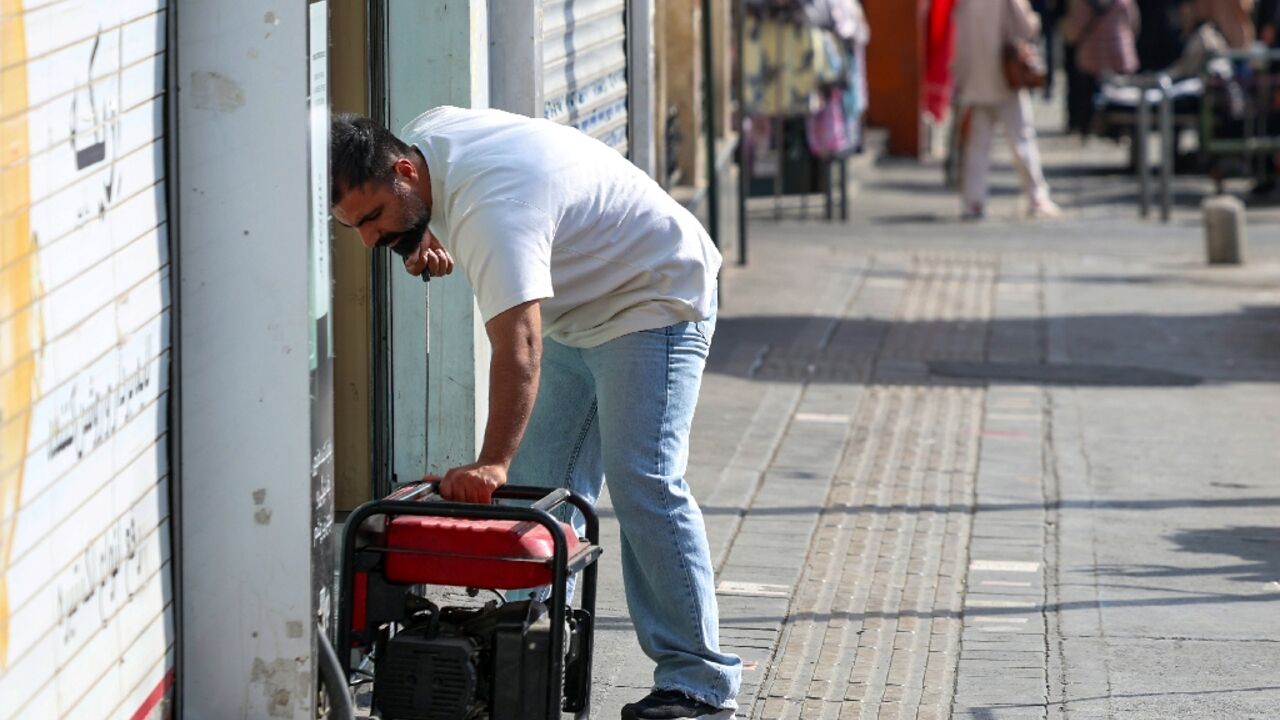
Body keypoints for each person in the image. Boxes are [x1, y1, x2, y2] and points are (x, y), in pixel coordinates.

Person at [329, 109, 740, 720]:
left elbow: (519, 346)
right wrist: (418, 233)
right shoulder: (424, 140)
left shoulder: (494, 208)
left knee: (644, 481)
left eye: (373, 219)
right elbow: (431, 207)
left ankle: (699, 685)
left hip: (652, 295)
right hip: (578, 312)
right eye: (353, 226)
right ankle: (533, 660)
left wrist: (492, 463)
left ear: (405, 173)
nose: (368, 240)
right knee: (541, 492)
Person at [953, 0, 1062, 219]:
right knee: (1022, 140)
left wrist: (961, 78)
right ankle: (1037, 197)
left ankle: (974, 202)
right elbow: (1027, 26)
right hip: (1007, 76)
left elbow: (959, 39)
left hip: (976, 79)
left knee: (978, 146)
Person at [1067, 0, 1141, 134]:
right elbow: (1134, 23)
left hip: (1091, 56)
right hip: (1119, 55)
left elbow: (1075, 30)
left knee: (1087, 97)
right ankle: (1120, 129)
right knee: (1124, 98)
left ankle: (1087, 127)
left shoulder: (1082, 3)